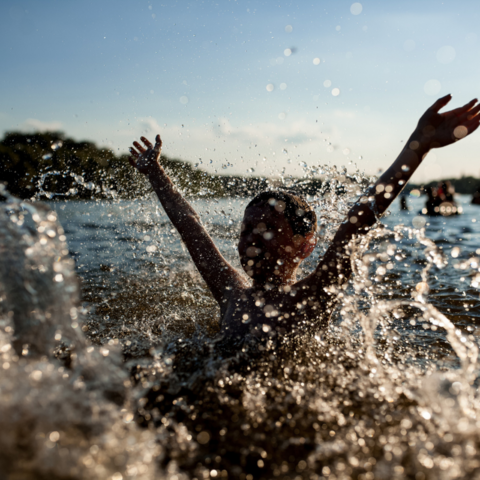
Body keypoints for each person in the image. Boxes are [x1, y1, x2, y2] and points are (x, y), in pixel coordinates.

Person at [128, 95, 480, 340]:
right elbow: (190, 226)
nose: (250, 239)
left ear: (305, 246)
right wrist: (156, 174)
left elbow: (360, 220)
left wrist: (419, 143)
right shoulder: (230, 292)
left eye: (266, 229)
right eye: (247, 229)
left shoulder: (311, 297)